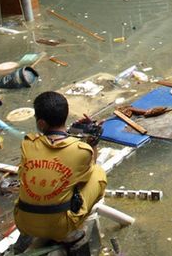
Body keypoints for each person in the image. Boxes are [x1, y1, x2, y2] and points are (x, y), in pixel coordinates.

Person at [14, 91, 107, 246]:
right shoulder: (81, 150)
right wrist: (92, 140)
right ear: (65, 114)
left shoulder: (27, 144)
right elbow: (85, 174)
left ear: (41, 123)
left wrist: (70, 132)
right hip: (60, 228)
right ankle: (70, 233)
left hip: (23, 222)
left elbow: (53, 142)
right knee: (97, 173)